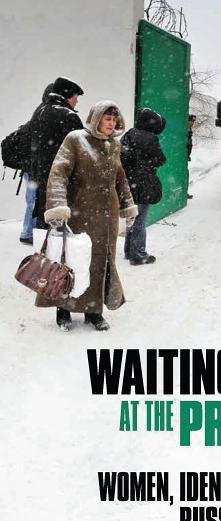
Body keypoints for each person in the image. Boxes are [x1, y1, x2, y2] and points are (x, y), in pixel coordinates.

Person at [36, 100, 138, 331]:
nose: (111, 123)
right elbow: (59, 173)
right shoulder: (75, 139)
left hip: (107, 218)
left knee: (100, 263)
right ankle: (63, 309)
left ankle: (94, 311)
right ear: (96, 118)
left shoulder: (114, 145)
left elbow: (120, 178)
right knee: (71, 262)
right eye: (107, 119)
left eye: (114, 119)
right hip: (79, 214)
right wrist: (58, 206)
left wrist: (128, 205)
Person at [30, 76, 84, 229]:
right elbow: (81, 149)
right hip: (61, 180)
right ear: (67, 96)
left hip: (40, 176)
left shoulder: (40, 112)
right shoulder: (68, 116)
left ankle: (43, 242)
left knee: (45, 220)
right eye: (75, 97)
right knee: (62, 227)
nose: (77, 101)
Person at [121, 107, 166, 265]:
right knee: (140, 219)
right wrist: (148, 163)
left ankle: (128, 251)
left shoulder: (129, 133)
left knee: (132, 216)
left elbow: (122, 154)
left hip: (128, 181)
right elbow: (160, 159)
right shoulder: (150, 138)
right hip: (143, 182)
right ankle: (138, 254)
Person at [19, 83, 54, 245]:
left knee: (32, 201)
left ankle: (29, 232)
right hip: (32, 168)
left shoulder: (39, 112)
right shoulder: (43, 114)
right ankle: (28, 233)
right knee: (33, 201)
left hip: (30, 167)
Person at [187, 114, 196, 199]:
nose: (192, 123)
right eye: (191, 121)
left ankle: (185, 191)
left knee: (186, 174)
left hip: (186, 156)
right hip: (183, 156)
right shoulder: (184, 130)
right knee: (184, 174)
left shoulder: (189, 129)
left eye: (193, 122)